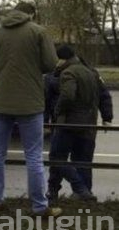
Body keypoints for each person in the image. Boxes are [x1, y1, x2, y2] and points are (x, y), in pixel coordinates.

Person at [0, 2, 61, 216]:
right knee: (34, 156)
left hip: (1, 102)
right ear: (31, 14)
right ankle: (39, 206)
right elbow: (51, 64)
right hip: (30, 103)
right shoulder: (38, 32)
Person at [45, 45, 114, 202]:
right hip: (88, 124)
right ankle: (84, 193)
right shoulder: (91, 72)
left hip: (66, 123)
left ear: (61, 59)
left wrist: (53, 115)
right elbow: (104, 95)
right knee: (83, 160)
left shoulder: (60, 74)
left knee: (57, 158)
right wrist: (107, 117)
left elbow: (56, 99)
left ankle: (73, 190)